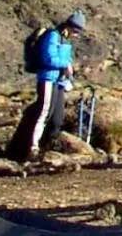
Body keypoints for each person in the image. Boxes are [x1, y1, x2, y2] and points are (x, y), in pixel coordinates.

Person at [7, 11, 85, 161]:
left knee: (57, 118)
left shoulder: (65, 41)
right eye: (76, 31)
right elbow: (48, 58)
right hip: (47, 79)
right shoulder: (53, 36)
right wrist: (65, 65)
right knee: (44, 112)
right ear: (69, 27)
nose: (76, 35)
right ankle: (32, 148)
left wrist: (69, 73)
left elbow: (66, 59)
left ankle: (48, 147)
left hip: (59, 81)